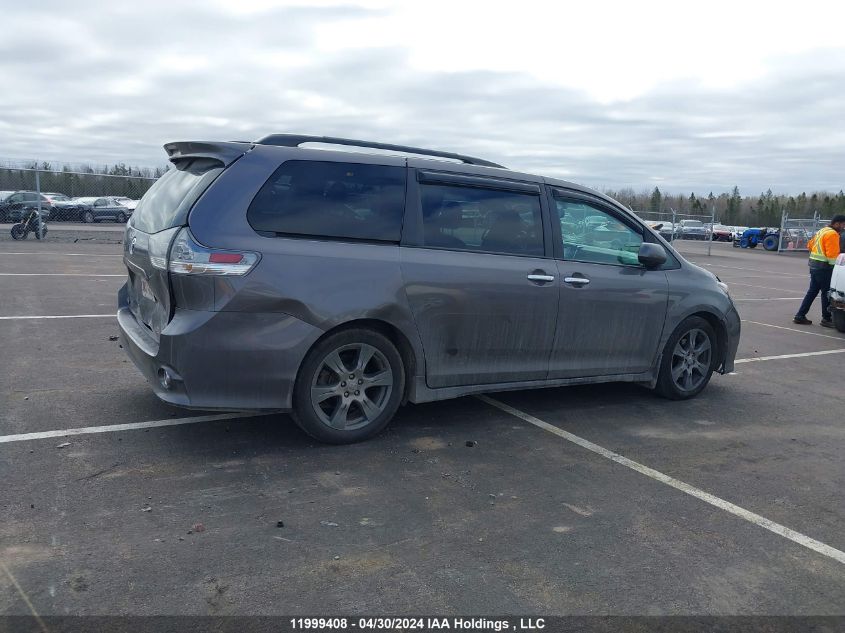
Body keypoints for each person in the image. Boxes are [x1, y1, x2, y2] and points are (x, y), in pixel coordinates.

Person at [794, 214, 845, 327]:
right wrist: (837, 268)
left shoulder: (822, 231)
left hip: (814, 266)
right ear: (837, 223)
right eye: (843, 224)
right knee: (826, 293)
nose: (843, 227)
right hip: (824, 268)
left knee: (812, 292)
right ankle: (826, 318)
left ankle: (800, 315)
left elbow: (810, 245)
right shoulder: (833, 234)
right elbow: (832, 256)